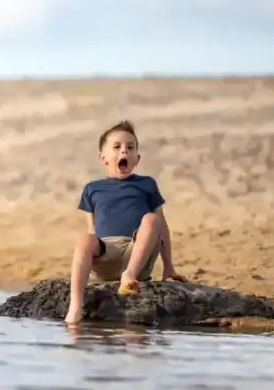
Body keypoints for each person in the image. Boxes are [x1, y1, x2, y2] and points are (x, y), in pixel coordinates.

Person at [64, 120, 186, 324]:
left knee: (152, 219)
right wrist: (89, 263)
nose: (124, 152)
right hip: (107, 253)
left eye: (130, 148)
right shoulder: (92, 188)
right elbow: (92, 228)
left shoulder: (146, 184)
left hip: (137, 252)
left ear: (137, 158)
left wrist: (168, 266)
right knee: (85, 239)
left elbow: (162, 227)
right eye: (117, 147)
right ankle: (75, 306)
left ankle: (129, 275)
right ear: (103, 157)